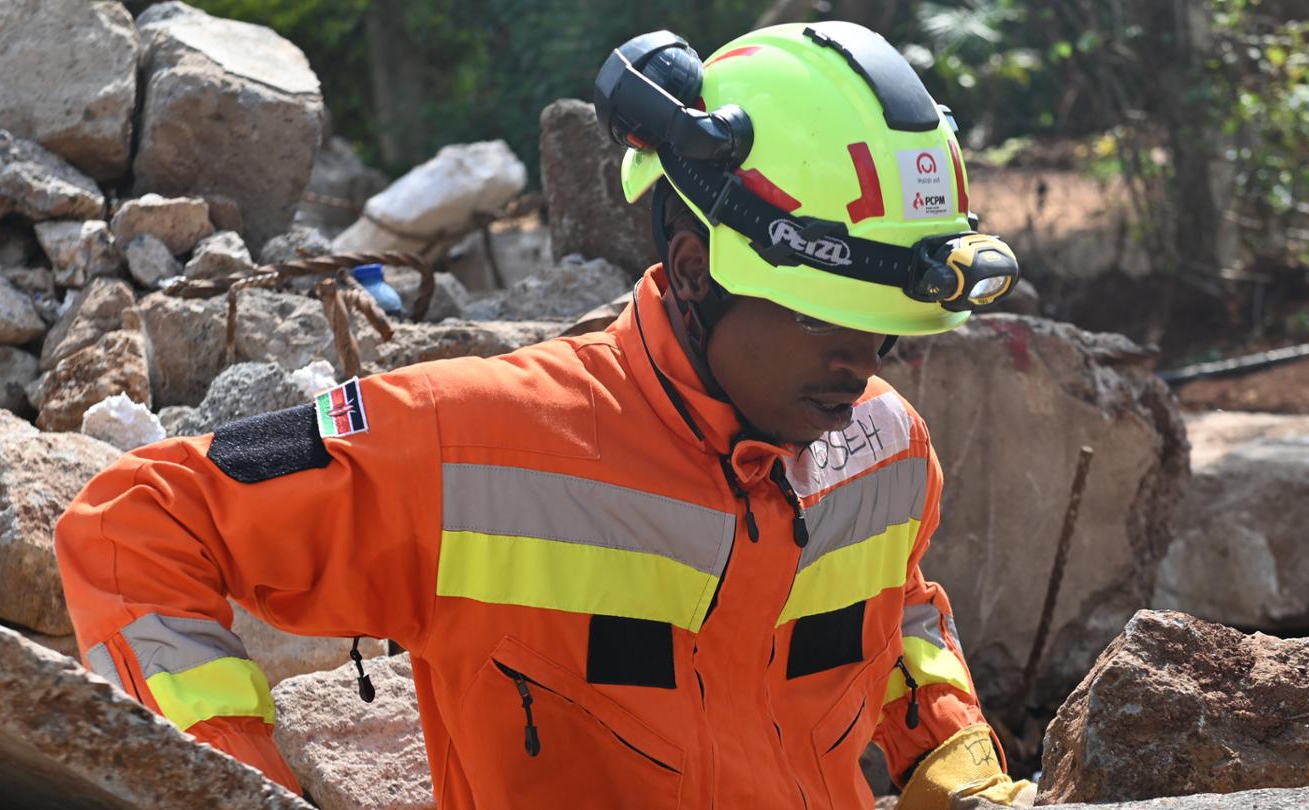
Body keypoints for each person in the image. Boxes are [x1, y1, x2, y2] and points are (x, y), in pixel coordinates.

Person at [57, 20, 1033, 810]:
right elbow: (134, 525)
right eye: (827, 320)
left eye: (886, 329)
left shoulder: (884, 450)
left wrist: (958, 766)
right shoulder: (476, 448)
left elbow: (898, 615)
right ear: (695, 269)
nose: (863, 365)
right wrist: (231, 780)